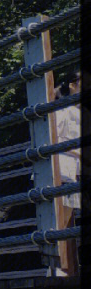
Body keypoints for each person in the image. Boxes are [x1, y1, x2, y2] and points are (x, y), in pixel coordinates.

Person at [53, 74, 82, 212]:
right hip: (63, 173)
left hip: (74, 173)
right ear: (72, 85)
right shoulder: (63, 108)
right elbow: (52, 138)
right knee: (63, 220)